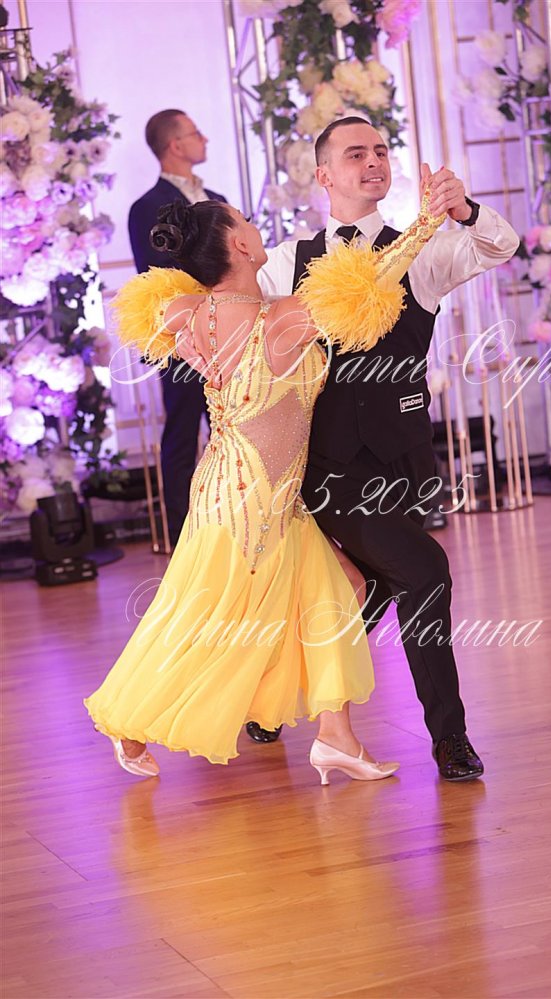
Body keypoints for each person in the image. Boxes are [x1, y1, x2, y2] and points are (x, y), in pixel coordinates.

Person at [84, 191, 445, 783]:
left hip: (236, 487)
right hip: (255, 498)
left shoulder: (187, 313)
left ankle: (337, 738)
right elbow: (367, 281)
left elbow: (159, 308)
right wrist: (424, 224)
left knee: (339, 592)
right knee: (214, 616)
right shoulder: (280, 322)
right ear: (241, 245)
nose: (256, 229)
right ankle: (128, 720)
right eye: (248, 223)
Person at [255, 116, 521, 780]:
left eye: (380, 151)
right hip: (326, 463)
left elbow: (499, 245)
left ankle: (274, 701)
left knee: (378, 584)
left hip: (403, 457)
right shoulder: (286, 262)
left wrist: (463, 210)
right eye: (356, 154)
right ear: (324, 175)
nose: (373, 161)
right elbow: (251, 342)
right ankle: (450, 738)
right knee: (424, 572)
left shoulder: (420, 250)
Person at [128, 109, 227, 545]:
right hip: (181, 337)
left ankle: (232, 526)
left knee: (232, 428)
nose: (204, 139)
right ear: (175, 145)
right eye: (195, 133)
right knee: (183, 432)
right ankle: (183, 536)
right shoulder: (147, 207)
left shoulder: (216, 198)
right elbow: (157, 273)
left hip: (229, 330)